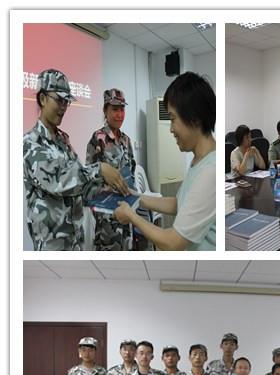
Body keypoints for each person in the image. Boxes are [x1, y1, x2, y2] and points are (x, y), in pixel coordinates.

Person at [23, 68, 129, 251]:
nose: (63, 107)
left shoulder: (63, 140)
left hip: (75, 241)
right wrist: (100, 169)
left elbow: (80, 184)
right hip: (52, 245)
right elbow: (57, 180)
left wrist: (112, 191)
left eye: (67, 101)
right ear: (42, 99)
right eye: (59, 100)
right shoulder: (30, 143)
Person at [114, 72, 216, 251]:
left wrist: (131, 216)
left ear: (195, 119)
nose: (171, 129)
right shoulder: (198, 161)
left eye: (173, 119)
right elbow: (178, 203)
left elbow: (173, 242)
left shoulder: (210, 171)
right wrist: (135, 198)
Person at [86, 89, 136, 251]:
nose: (119, 114)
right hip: (107, 218)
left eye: (122, 109)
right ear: (105, 111)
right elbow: (89, 178)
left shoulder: (126, 140)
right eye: (115, 109)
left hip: (126, 211)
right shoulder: (97, 139)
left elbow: (132, 172)